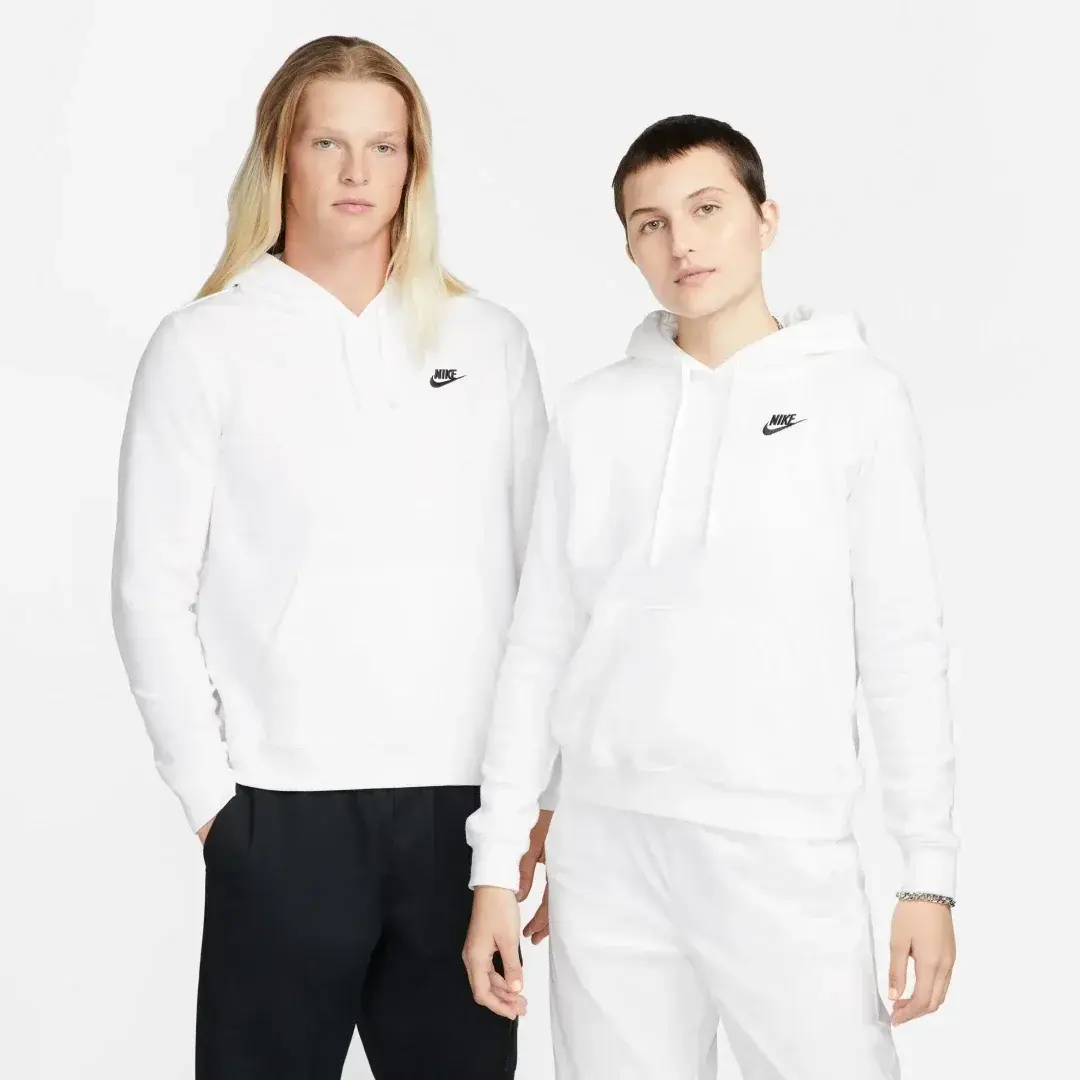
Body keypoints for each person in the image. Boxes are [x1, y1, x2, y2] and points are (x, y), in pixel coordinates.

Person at [463, 114, 958, 1079]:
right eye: (650, 224)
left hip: (781, 847)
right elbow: (540, 646)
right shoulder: (595, 413)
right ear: (629, 248)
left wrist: (927, 876)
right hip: (606, 851)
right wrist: (497, 862)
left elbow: (904, 645)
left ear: (765, 219)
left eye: (706, 209)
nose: (681, 243)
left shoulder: (857, 400)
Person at [111, 34, 554, 1080]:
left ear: (413, 165)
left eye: (384, 146)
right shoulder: (202, 345)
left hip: (461, 817)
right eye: (328, 143)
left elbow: (547, 589)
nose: (358, 172)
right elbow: (148, 595)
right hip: (279, 815)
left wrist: (533, 801)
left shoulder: (488, 342)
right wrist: (215, 807)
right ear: (281, 155)